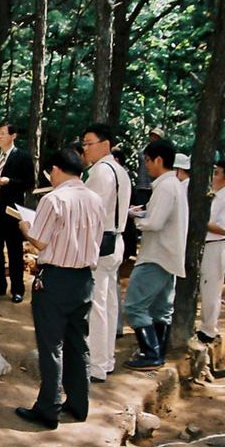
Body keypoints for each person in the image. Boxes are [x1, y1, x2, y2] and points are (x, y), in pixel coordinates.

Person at [14, 147, 104, 430]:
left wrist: (24, 227)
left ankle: (48, 407)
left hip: (55, 279)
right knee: (78, 343)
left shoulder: (54, 199)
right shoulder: (95, 199)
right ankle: (79, 403)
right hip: (84, 279)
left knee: (51, 344)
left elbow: (39, 242)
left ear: (55, 169)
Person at [122, 138, 187, 369]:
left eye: (148, 160)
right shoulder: (174, 185)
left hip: (156, 256)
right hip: (169, 256)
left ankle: (151, 353)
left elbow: (155, 222)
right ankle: (157, 351)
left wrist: (135, 218)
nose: (146, 165)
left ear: (159, 160)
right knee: (161, 309)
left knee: (134, 305)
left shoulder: (166, 186)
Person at [81, 123, 131, 383]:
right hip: (116, 239)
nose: (85, 148)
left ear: (106, 144)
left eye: (89, 143)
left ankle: (96, 365)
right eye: (84, 144)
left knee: (98, 304)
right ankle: (107, 358)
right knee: (109, 302)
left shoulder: (101, 172)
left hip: (103, 242)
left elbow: (91, 211)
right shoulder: (120, 171)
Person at [0, 121, 33, 302]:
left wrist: (8, 181)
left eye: (3, 133)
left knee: (14, 251)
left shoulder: (23, 157)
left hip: (11, 211)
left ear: (13, 135)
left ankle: (17, 289)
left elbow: (29, 183)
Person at [197, 159, 225, 343]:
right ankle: (202, 325)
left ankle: (208, 330)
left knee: (211, 289)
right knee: (201, 287)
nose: (213, 176)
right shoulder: (211, 195)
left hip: (216, 246)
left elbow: (224, 228)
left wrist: (199, 222)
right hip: (203, 245)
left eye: (217, 173)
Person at [124, 126, 165, 260]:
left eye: (157, 137)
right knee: (140, 209)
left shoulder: (162, 159)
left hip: (153, 188)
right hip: (142, 186)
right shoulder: (144, 152)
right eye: (152, 136)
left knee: (150, 213)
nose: (153, 139)